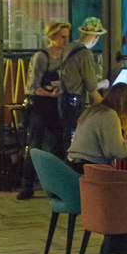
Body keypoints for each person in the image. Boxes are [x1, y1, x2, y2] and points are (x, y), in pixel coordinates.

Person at [19, 20, 77, 199]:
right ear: (52, 37)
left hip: (58, 105)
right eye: (62, 37)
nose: (66, 41)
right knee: (35, 145)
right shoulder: (42, 57)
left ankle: (57, 186)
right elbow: (32, 87)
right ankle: (27, 185)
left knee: (59, 146)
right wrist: (50, 92)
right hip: (41, 106)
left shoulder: (66, 55)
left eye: (67, 37)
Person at [68, 83, 127, 169]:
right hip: (88, 167)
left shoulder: (93, 110)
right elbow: (119, 152)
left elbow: (107, 145)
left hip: (75, 163)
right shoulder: (109, 114)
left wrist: (126, 143)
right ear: (125, 104)